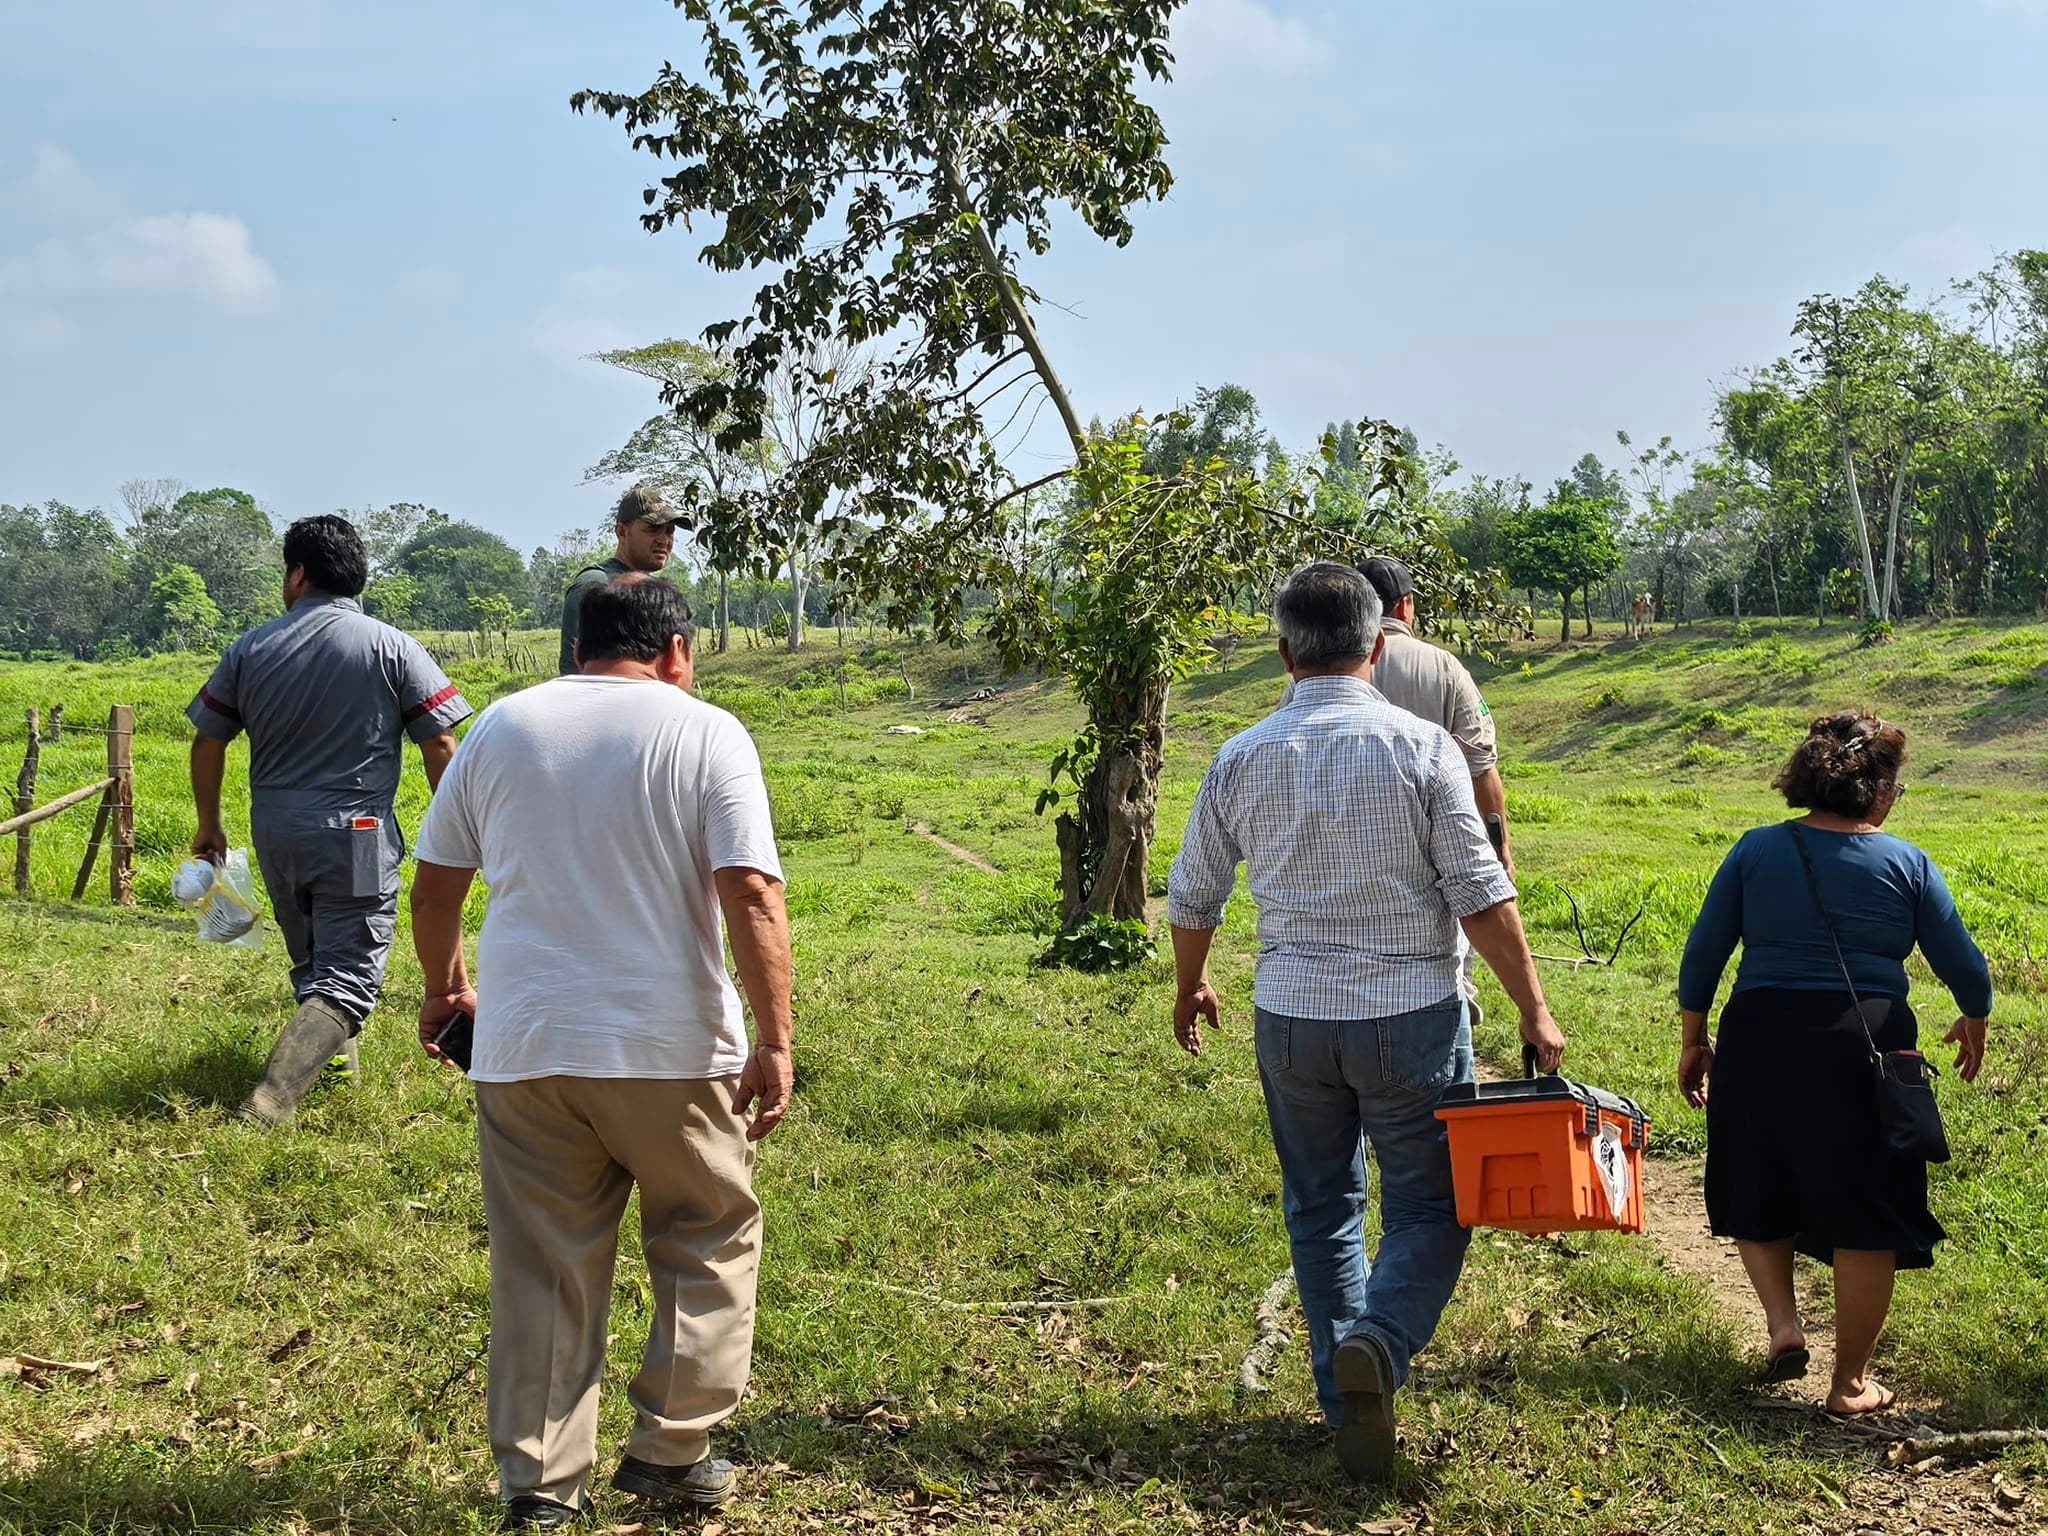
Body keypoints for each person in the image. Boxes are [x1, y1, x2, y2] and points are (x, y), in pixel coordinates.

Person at [1167, 561, 1566, 1483]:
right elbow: (1479, 892)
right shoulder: (1424, 751)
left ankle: (1340, 1391)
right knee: (1432, 1204)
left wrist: (1191, 985)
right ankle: (1380, 1347)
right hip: (1410, 1016)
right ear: (1380, 645)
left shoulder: (1243, 753)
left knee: (1321, 1206)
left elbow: (1194, 895)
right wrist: (1533, 1007)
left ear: (1283, 654)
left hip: (1291, 1018)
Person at [411, 575, 793, 1529]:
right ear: (674, 653)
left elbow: (435, 885)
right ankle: (670, 1449)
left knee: (544, 1266)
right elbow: (749, 891)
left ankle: (540, 1492)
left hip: (526, 1044)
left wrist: (447, 989)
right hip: (670, 1048)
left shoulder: (499, 728)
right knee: (706, 1233)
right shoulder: (705, 731)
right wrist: (777, 1040)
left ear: (578, 646)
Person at [1676, 710, 1990, 1416]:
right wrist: (1974, 1019)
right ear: (1878, 790)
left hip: (1759, 1031)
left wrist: (1694, 1040)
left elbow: (1703, 956)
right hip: (1866, 1043)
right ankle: (1849, 1385)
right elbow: (1965, 967)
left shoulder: (1756, 851)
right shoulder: (1907, 864)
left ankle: (1784, 1326)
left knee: (1759, 1180)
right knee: (1868, 1209)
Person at [187, 514, 472, 1127]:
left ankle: (335, 1071)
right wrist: (460, 830)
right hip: (358, 835)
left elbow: (208, 741)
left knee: (314, 961)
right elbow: (441, 743)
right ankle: (274, 1098)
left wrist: (209, 825)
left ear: (297, 575)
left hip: (276, 830)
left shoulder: (251, 648)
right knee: (348, 975)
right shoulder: (391, 646)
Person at [557, 483, 683, 674]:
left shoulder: (654, 594)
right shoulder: (597, 585)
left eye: (669, 531)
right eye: (653, 529)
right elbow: (574, 671)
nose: (664, 540)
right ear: (622, 532)